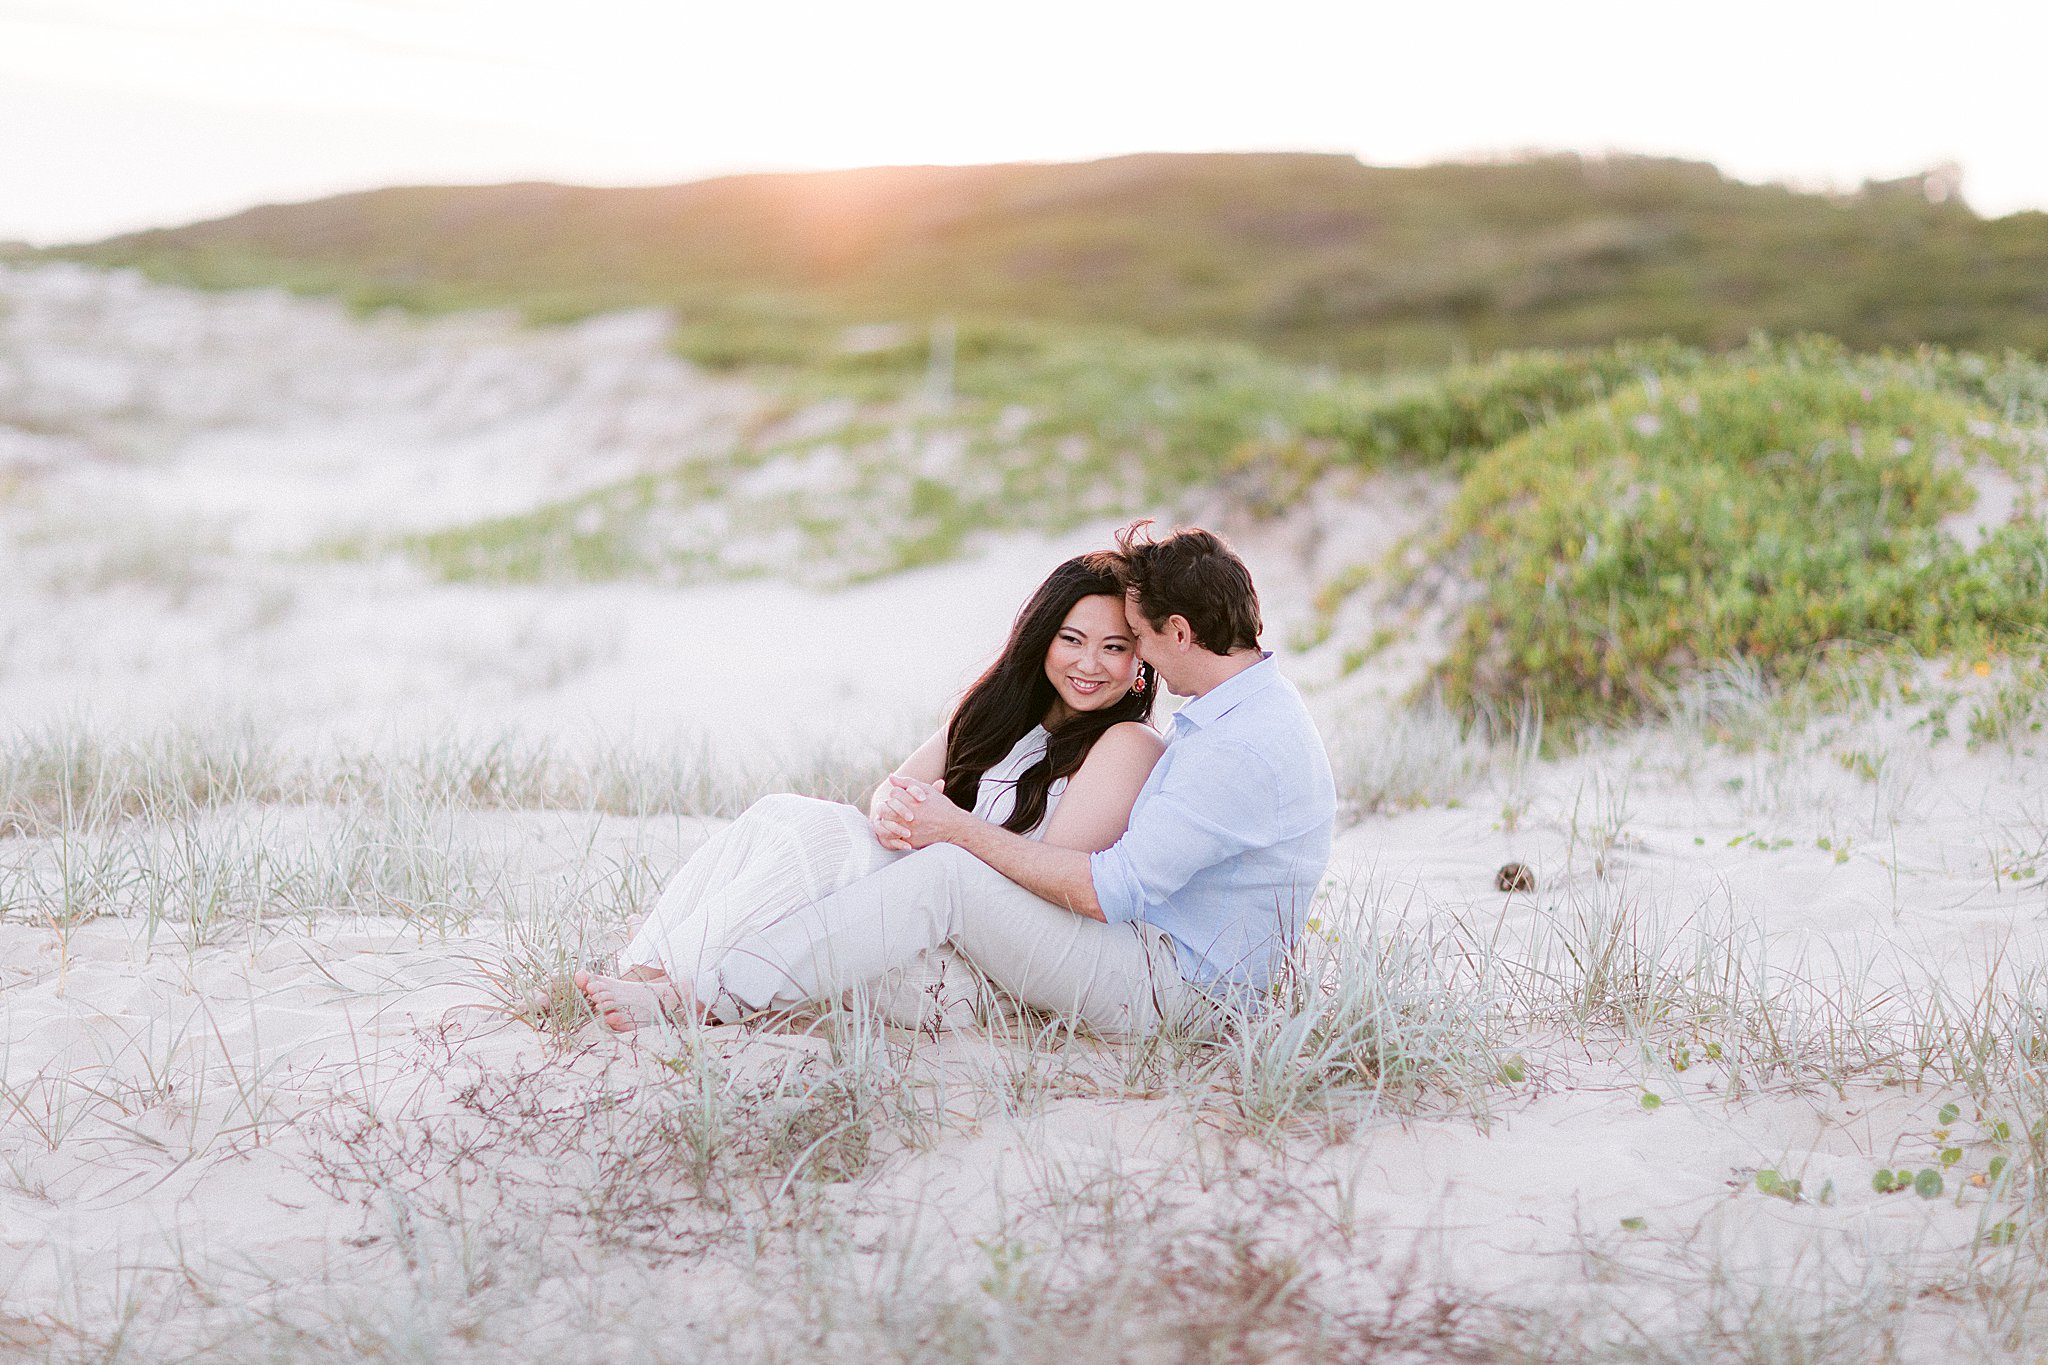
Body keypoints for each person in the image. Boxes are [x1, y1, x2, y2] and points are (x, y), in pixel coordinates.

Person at [578, 521, 1337, 1039]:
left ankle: (700, 996)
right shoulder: (1233, 717)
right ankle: (663, 969)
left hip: (1177, 986)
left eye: (1130, 640)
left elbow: (1112, 891)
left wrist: (955, 829)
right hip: (1147, 953)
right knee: (804, 822)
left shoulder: (1243, 742)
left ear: (1177, 633)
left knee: (941, 874)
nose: (1122, 657)